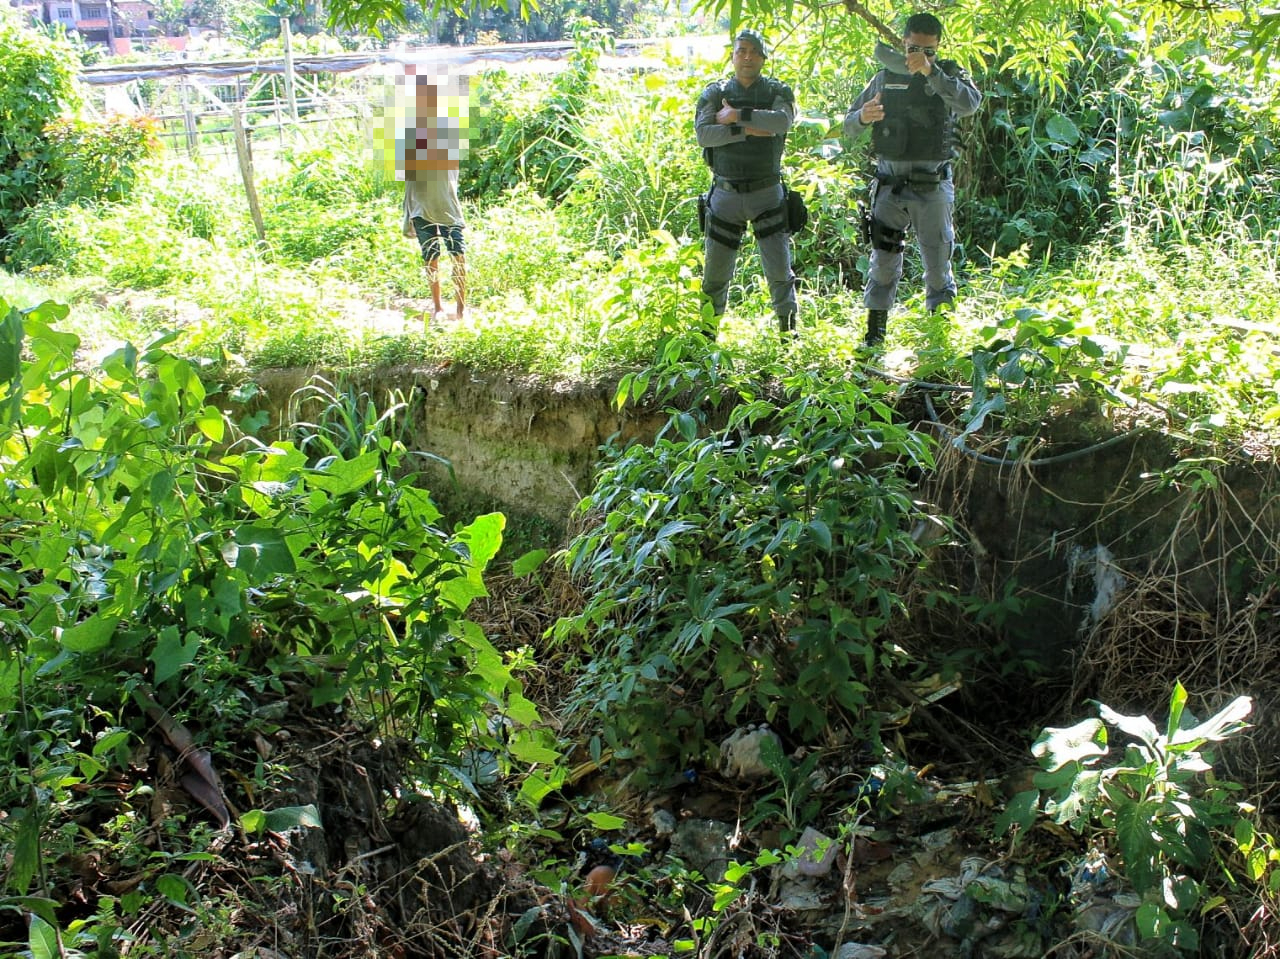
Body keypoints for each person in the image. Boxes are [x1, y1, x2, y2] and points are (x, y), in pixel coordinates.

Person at [844, 12, 982, 346]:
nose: (920, 55)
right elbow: (848, 125)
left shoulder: (947, 75)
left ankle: (939, 339)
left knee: (937, 263)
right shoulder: (884, 77)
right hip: (890, 186)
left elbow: (970, 104)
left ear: (938, 48)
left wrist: (931, 71)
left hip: (932, 186)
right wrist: (863, 116)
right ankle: (874, 336)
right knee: (883, 262)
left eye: (928, 50)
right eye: (914, 49)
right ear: (903, 42)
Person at [695, 29, 798, 335]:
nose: (748, 57)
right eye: (742, 51)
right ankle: (707, 340)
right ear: (733, 56)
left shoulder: (777, 91)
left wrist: (735, 115)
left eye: (754, 51)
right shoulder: (715, 93)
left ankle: (789, 338)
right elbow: (705, 135)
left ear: (763, 58)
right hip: (725, 195)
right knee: (715, 276)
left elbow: (781, 122)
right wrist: (748, 129)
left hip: (767, 194)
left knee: (779, 273)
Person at [403, 78, 466, 323]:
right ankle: (438, 307)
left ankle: (461, 310)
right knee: (431, 258)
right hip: (421, 205)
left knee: (458, 256)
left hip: (446, 204)